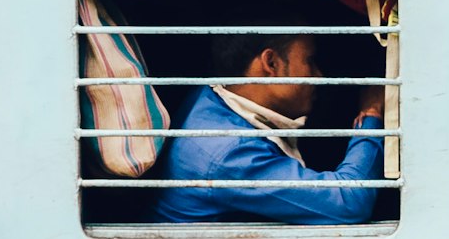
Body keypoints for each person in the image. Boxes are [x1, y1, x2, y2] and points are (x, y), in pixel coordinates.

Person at [153, 18, 391, 224]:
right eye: (310, 61)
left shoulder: (207, 98)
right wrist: (371, 112)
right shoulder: (229, 153)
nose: (319, 76)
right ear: (271, 63)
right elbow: (348, 202)